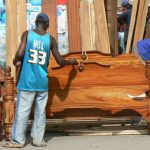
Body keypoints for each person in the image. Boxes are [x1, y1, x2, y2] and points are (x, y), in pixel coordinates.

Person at [2, 13, 77, 148]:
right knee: (40, 113)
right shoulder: (51, 40)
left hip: (27, 82)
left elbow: (19, 54)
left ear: (36, 23)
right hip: (42, 82)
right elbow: (60, 61)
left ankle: (18, 141)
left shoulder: (27, 34)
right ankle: (38, 140)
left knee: (23, 112)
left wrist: (15, 61)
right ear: (47, 25)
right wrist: (71, 61)